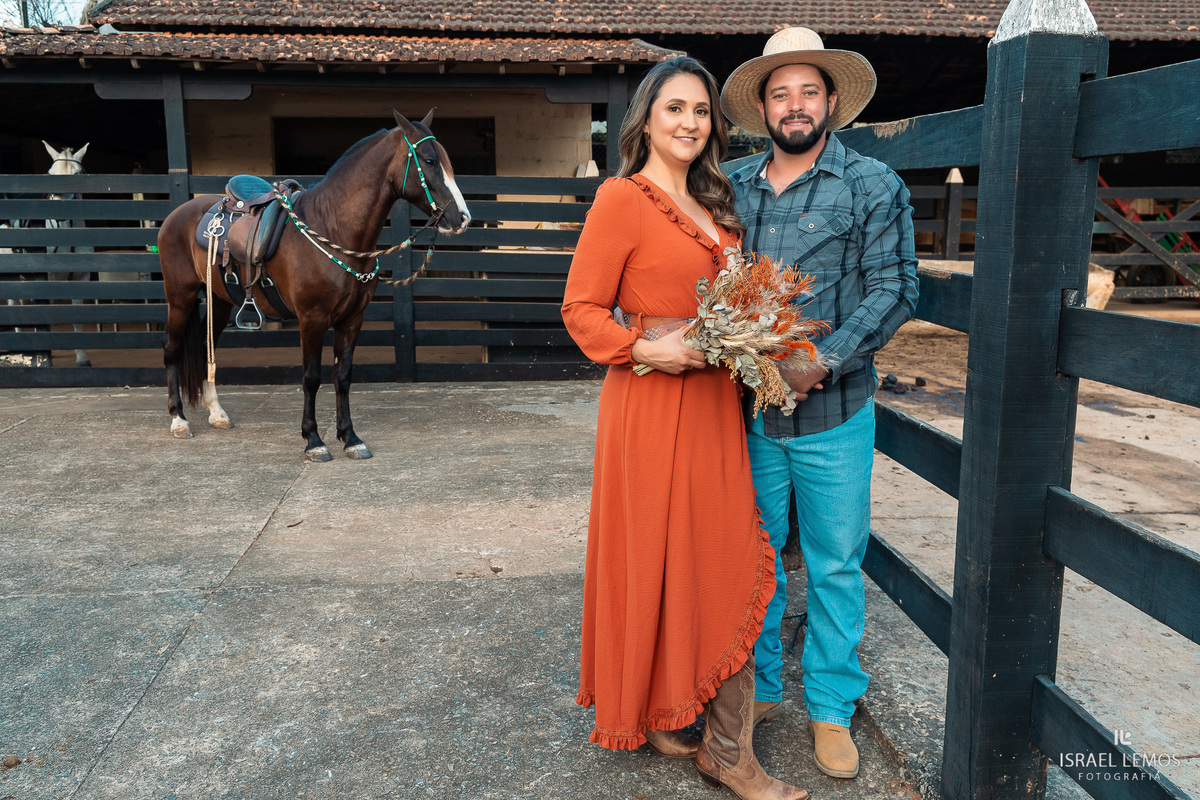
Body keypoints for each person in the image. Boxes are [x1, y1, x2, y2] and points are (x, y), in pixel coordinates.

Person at [562, 57, 808, 800]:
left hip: (710, 405)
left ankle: (679, 715)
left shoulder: (715, 203)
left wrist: (761, 339)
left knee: (707, 555)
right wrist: (646, 347)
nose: (690, 123)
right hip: (648, 401)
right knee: (669, 553)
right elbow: (581, 309)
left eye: (701, 111)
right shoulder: (621, 199)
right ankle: (727, 754)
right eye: (675, 109)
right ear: (646, 118)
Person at [720, 28, 920, 779]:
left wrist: (821, 362)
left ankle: (832, 707)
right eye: (781, 94)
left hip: (833, 414)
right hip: (745, 417)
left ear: (831, 102)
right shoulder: (734, 186)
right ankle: (765, 687)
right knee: (757, 559)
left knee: (835, 564)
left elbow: (897, 287)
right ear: (764, 108)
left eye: (808, 91)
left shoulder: (870, 184)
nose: (795, 105)